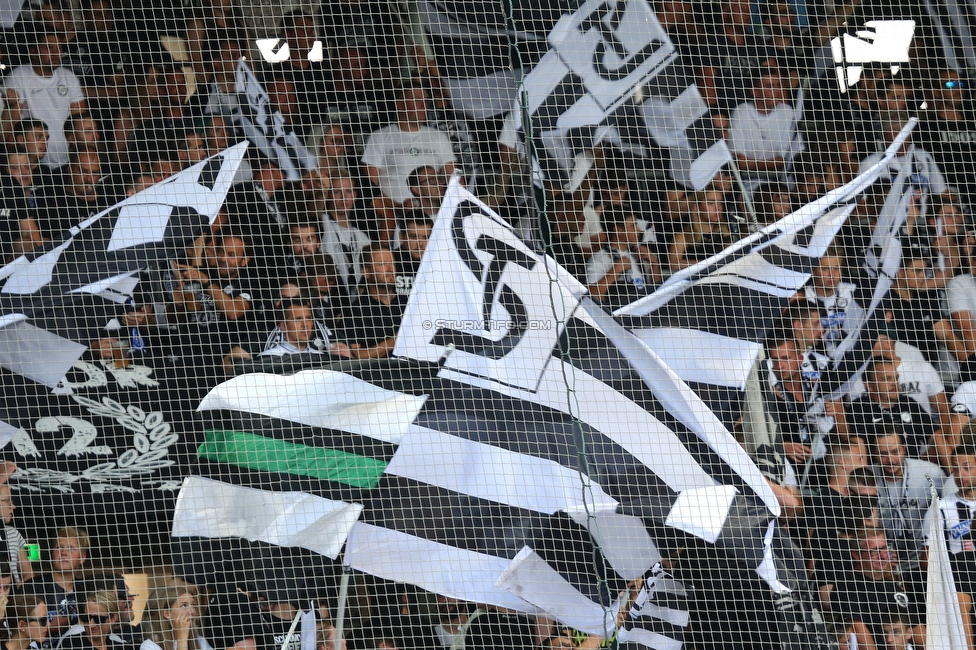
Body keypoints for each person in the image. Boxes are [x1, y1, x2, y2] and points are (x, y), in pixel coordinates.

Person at [3, 26, 86, 169]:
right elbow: (10, 133)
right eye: (49, 48)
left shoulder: (69, 77)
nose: (56, 53)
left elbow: (81, 123)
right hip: (33, 164)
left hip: (67, 162)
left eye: (59, 48)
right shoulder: (18, 77)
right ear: (33, 52)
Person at [870, 429, 945, 586]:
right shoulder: (866, 478)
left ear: (904, 448)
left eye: (895, 451)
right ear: (874, 453)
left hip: (924, 562)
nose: (890, 459)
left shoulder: (930, 473)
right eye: (883, 454)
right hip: (885, 566)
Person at [361, 82, 456, 205]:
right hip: (395, 214)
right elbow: (369, 187)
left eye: (426, 101)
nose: (423, 106)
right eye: (417, 100)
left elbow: (455, 178)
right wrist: (397, 208)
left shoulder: (439, 136)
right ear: (400, 105)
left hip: (434, 214)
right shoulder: (379, 137)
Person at [847, 358, 936, 458]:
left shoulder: (908, 403)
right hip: (876, 469)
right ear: (869, 386)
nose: (894, 383)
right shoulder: (859, 408)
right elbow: (857, 448)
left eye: (896, 378)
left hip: (911, 468)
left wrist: (920, 463)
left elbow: (937, 438)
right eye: (887, 379)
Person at [727, 68, 802, 179]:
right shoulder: (741, 112)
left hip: (778, 183)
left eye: (778, 85)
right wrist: (770, 163)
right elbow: (739, 161)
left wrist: (750, 164)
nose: (777, 90)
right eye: (770, 86)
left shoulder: (787, 112)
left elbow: (784, 161)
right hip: (747, 182)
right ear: (755, 92)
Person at [18, 527, 89, 638]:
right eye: (59, 547)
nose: (64, 553)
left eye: (71, 548)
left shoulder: (87, 590)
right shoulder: (31, 587)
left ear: (82, 557)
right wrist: (50, 628)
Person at [585, 205, 661, 309]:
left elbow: (658, 291)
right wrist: (615, 271)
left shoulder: (640, 254)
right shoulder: (599, 259)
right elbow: (590, 297)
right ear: (618, 230)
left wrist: (654, 264)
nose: (639, 230)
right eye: (633, 225)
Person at [340, 245, 406, 360]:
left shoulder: (408, 304)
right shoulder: (354, 311)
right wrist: (393, 342)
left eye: (392, 263)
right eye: (382, 264)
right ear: (366, 273)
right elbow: (355, 355)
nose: (390, 269)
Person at [33, 148, 107, 239]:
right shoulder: (53, 204)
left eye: (95, 173)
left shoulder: (110, 197)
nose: (89, 179)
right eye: (83, 171)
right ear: (70, 169)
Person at [321, 170, 370, 291]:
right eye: (337, 192)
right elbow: (314, 211)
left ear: (355, 195)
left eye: (348, 191)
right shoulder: (322, 223)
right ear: (328, 195)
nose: (344, 197)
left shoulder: (363, 237)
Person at [140, 583, 206, 650]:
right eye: (184, 606)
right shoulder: (149, 646)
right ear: (167, 614)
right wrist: (182, 639)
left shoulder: (200, 641)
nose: (192, 611)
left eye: (193, 605)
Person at [60, 590, 127, 650]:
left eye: (98, 619)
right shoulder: (71, 644)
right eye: (86, 617)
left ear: (113, 619)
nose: (91, 624)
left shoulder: (120, 647)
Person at [260, 300, 325, 357]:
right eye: (298, 319)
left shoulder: (321, 357)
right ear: (283, 326)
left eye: (308, 318)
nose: (305, 325)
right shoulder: (269, 357)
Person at [0, 477, 32, 585]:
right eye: (7, 501)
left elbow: (28, 574)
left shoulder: (14, 534)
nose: (13, 506)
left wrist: (20, 592)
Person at [394, 212, 431, 299]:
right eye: (414, 237)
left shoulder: (439, 263)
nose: (420, 243)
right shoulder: (388, 261)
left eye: (426, 237)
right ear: (402, 237)